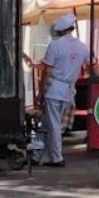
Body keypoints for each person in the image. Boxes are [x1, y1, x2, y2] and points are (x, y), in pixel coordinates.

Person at [34, 13, 89, 167]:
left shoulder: (55, 45)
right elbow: (92, 63)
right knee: (46, 125)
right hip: (69, 89)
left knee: (53, 124)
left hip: (54, 88)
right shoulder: (82, 46)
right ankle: (36, 155)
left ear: (60, 30)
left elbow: (47, 71)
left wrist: (41, 91)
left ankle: (56, 158)